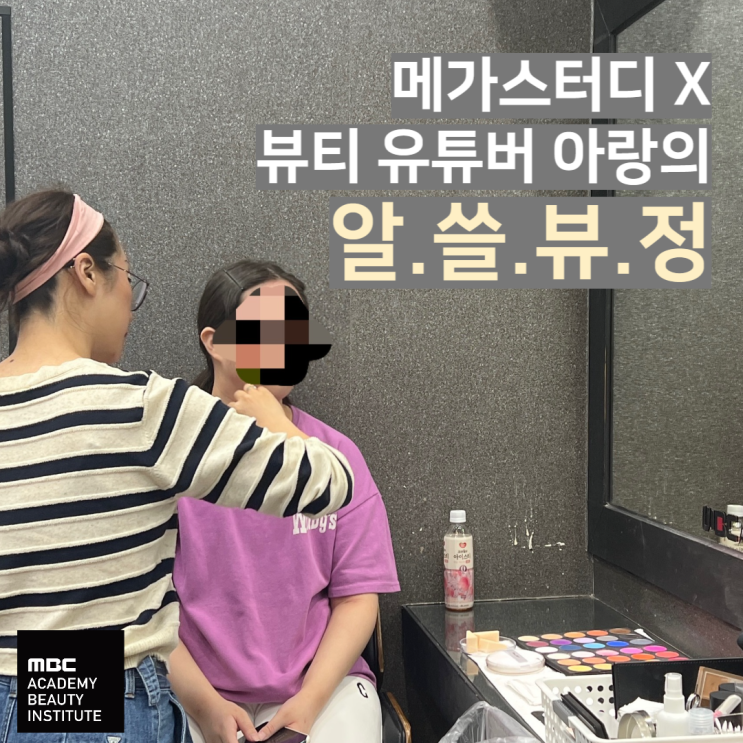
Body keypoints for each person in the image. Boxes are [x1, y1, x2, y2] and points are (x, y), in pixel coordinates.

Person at [0, 191, 354, 743]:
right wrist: (275, 419)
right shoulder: (143, 409)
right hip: (95, 688)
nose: (130, 301)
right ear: (86, 273)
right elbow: (329, 481)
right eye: (128, 279)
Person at [169, 260, 400, 743]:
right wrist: (206, 707)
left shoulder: (336, 456)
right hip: (192, 692)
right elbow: (143, 607)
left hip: (322, 689)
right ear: (214, 342)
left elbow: (358, 597)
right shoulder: (168, 454)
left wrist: (307, 705)